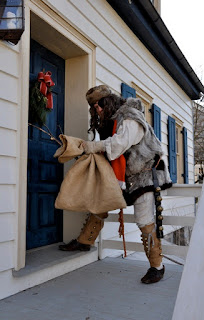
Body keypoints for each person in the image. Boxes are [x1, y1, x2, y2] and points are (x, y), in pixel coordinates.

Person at [58, 85, 172, 284]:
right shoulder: (111, 121)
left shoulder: (130, 117)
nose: (98, 110)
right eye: (94, 107)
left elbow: (117, 145)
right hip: (124, 175)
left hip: (145, 174)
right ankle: (85, 242)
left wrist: (91, 146)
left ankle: (157, 267)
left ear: (108, 101)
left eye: (99, 104)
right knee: (100, 201)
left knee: (144, 220)